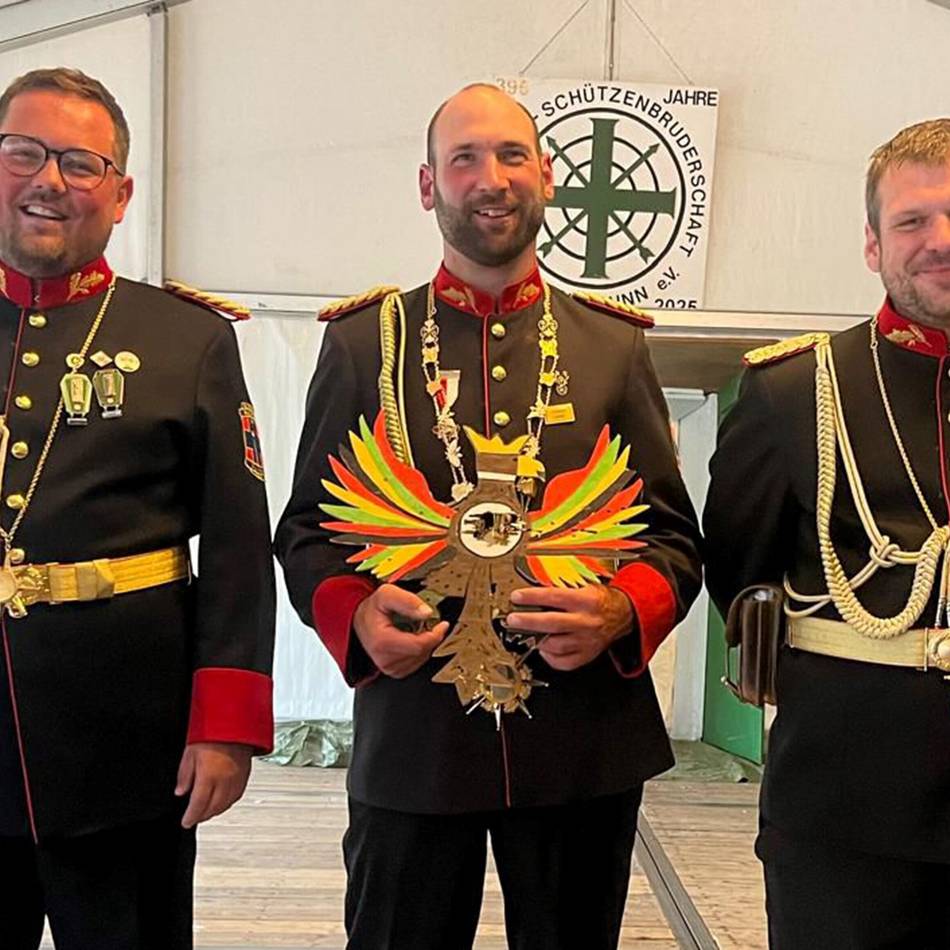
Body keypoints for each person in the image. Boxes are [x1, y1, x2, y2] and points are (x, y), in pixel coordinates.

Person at [275, 83, 701, 950]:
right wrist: (354, 613)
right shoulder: (364, 343)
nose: (491, 179)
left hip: (584, 745)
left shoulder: (612, 345)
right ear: (428, 185)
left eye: (511, 155)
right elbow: (307, 532)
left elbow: (674, 539)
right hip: (416, 740)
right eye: (463, 158)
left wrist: (623, 608)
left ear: (547, 174)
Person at [0, 68, 275, 950]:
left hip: (127, 750)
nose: (50, 180)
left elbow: (236, 544)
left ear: (120, 197)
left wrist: (225, 724)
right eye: (24, 153)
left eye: (81, 163)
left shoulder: (187, 339)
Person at [704, 118, 950, 949]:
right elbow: (740, 572)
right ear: (873, 245)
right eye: (912, 221)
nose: (940, 240)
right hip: (844, 810)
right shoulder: (793, 392)